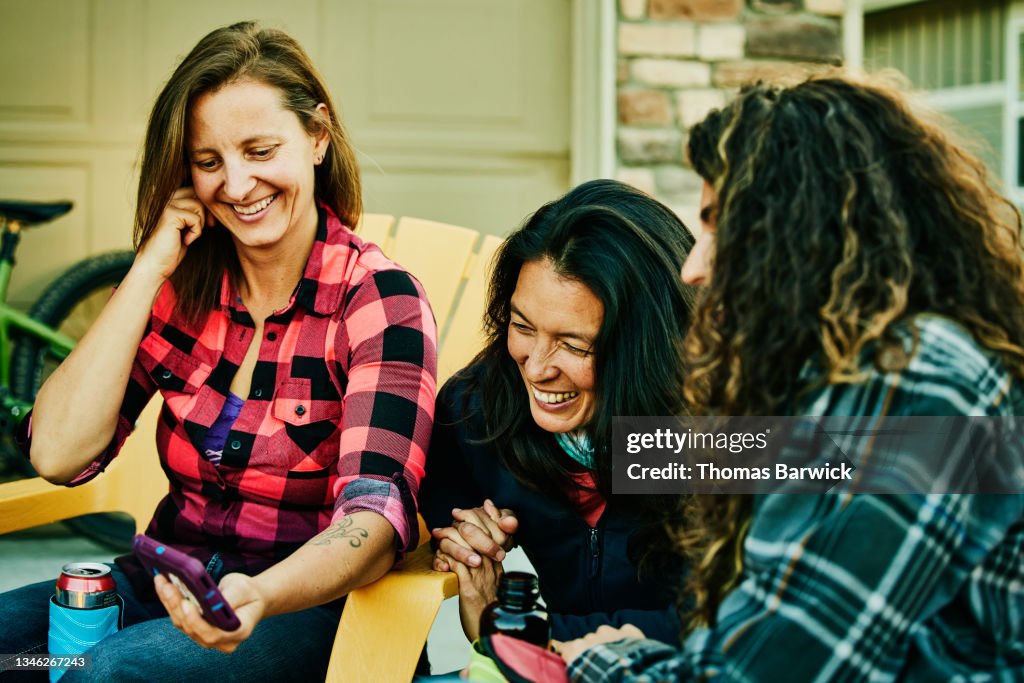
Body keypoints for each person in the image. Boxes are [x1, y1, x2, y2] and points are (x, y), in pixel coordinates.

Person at [0, 21, 436, 681]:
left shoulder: (376, 301)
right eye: (209, 162)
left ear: (317, 136)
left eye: (260, 150)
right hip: (164, 588)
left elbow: (374, 519)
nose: (235, 185)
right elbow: (57, 453)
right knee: (18, 654)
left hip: (302, 610)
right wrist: (148, 267)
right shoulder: (181, 291)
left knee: (104, 673)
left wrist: (259, 594)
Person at [560, 72, 1024, 680]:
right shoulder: (861, 381)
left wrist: (597, 660)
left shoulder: (914, 382)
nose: (695, 268)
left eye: (717, 223)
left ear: (797, 230)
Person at [419, 179, 694, 649]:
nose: (538, 368)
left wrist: (513, 634)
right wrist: (468, 541)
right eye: (522, 326)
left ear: (648, 348)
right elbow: (439, 515)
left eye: (573, 344)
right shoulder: (479, 410)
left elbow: (739, 623)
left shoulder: (721, 430)